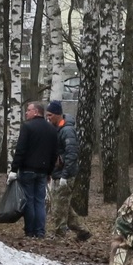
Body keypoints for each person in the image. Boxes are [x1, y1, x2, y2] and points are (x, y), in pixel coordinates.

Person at [8, 101, 61, 238]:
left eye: (28, 110)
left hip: (27, 170)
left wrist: (14, 169)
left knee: (29, 200)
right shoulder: (51, 129)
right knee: (40, 201)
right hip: (43, 171)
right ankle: (40, 231)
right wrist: (49, 171)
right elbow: (54, 153)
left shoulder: (27, 127)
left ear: (36, 112)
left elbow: (21, 149)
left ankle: (30, 231)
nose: (26, 112)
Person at [45, 101, 91, 241]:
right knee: (63, 205)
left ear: (58, 114)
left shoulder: (67, 130)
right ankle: (82, 231)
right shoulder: (58, 129)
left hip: (65, 174)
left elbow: (72, 154)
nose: (48, 118)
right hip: (58, 173)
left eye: (50, 115)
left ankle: (59, 234)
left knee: (59, 206)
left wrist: (65, 175)